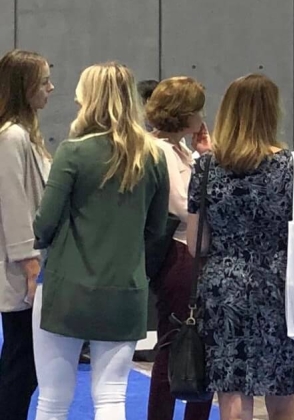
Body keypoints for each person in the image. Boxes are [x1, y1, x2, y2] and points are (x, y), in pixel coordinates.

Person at [187, 73, 294, 420]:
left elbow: (196, 244)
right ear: (272, 113)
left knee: (232, 392)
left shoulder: (205, 168)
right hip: (280, 286)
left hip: (224, 287)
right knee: (281, 391)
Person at [32, 62, 169, 420]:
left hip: (66, 290)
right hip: (126, 290)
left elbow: (44, 225)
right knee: (111, 398)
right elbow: (157, 228)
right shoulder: (154, 156)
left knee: (53, 400)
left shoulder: (73, 152)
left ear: (89, 97)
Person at [144, 76, 213, 420]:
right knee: (174, 343)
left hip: (193, 251)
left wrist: (204, 156)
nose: (202, 116)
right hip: (179, 254)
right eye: (198, 109)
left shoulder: (182, 150)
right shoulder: (159, 151)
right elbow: (183, 205)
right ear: (183, 113)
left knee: (204, 346)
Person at [0, 49, 53, 420]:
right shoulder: (11, 137)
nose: (51, 87)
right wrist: (30, 265)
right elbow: (13, 204)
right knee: (22, 363)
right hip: (21, 268)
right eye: (44, 81)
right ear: (25, 86)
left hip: (29, 263)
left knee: (23, 362)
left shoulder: (26, 136)